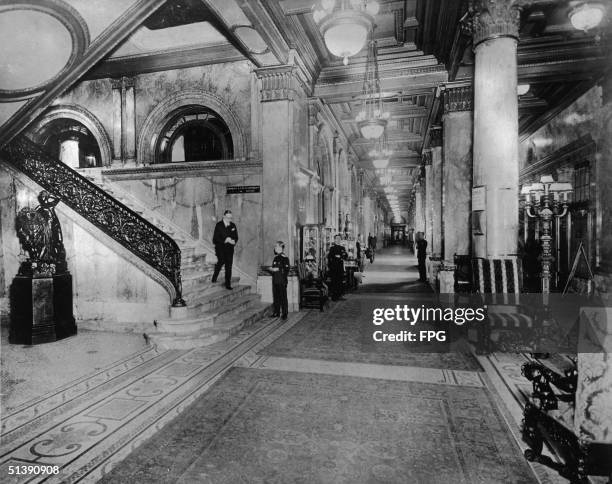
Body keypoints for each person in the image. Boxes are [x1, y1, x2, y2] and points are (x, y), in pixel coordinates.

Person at [211, 210, 238, 289]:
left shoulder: (233, 225)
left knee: (229, 266)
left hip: (230, 249)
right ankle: (214, 276)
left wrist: (234, 241)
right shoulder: (219, 225)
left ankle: (228, 284)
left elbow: (236, 237)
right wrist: (225, 240)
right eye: (228, 218)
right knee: (221, 262)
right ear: (224, 216)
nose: (229, 219)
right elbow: (215, 239)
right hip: (220, 248)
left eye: (231, 218)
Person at [268, 241, 290, 319]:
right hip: (275, 281)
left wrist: (278, 269)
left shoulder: (285, 258)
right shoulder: (275, 258)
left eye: (276, 246)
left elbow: (286, 269)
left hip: (282, 281)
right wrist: (272, 269)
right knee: (276, 297)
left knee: (283, 298)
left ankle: (284, 313)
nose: (275, 248)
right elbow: (274, 268)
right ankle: (276, 312)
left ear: (281, 247)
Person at [327, 234, 347, 301]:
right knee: (334, 282)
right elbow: (330, 257)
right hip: (334, 268)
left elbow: (345, 256)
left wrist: (340, 257)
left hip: (340, 267)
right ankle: (334, 297)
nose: (338, 240)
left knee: (340, 282)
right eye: (337, 238)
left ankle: (340, 295)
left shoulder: (342, 248)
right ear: (334, 239)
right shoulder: (332, 248)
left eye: (339, 238)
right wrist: (337, 257)